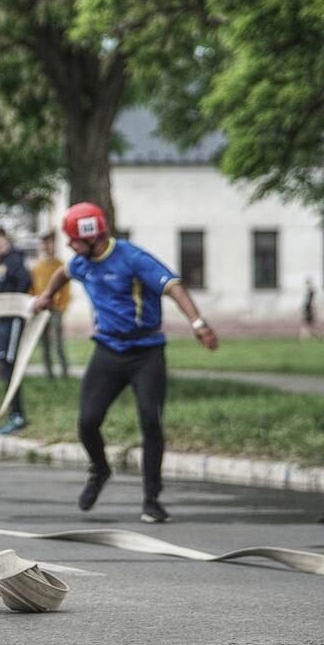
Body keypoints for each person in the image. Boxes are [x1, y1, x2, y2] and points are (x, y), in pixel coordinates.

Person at [33, 202, 219, 524]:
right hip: (107, 350)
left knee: (150, 421)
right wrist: (47, 295)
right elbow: (63, 273)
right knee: (87, 422)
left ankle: (151, 500)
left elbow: (173, 286)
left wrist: (198, 324)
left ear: (93, 237)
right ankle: (100, 469)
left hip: (146, 352)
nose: (70, 246)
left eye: (74, 240)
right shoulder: (82, 262)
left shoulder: (131, 258)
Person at [0, 227, 32, 434]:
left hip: (12, 321)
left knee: (9, 365)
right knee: (4, 365)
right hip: (2, 320)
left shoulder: (13, 261)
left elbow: (27, 281)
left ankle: (17, 415)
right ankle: (13, 413)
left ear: (4, 240)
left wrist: (14, 303)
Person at [31, 232, 71, 379]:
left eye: (48, 243)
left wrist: (61, 308)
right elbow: (33, 289)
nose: (46, 247)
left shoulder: (61, 265)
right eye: (43, 243)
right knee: (44, 344)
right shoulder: (37, 267)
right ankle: (49, 374)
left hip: (56, 309)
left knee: (58, 343)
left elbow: (66, 291)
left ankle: (64, 372)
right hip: (41, 310)